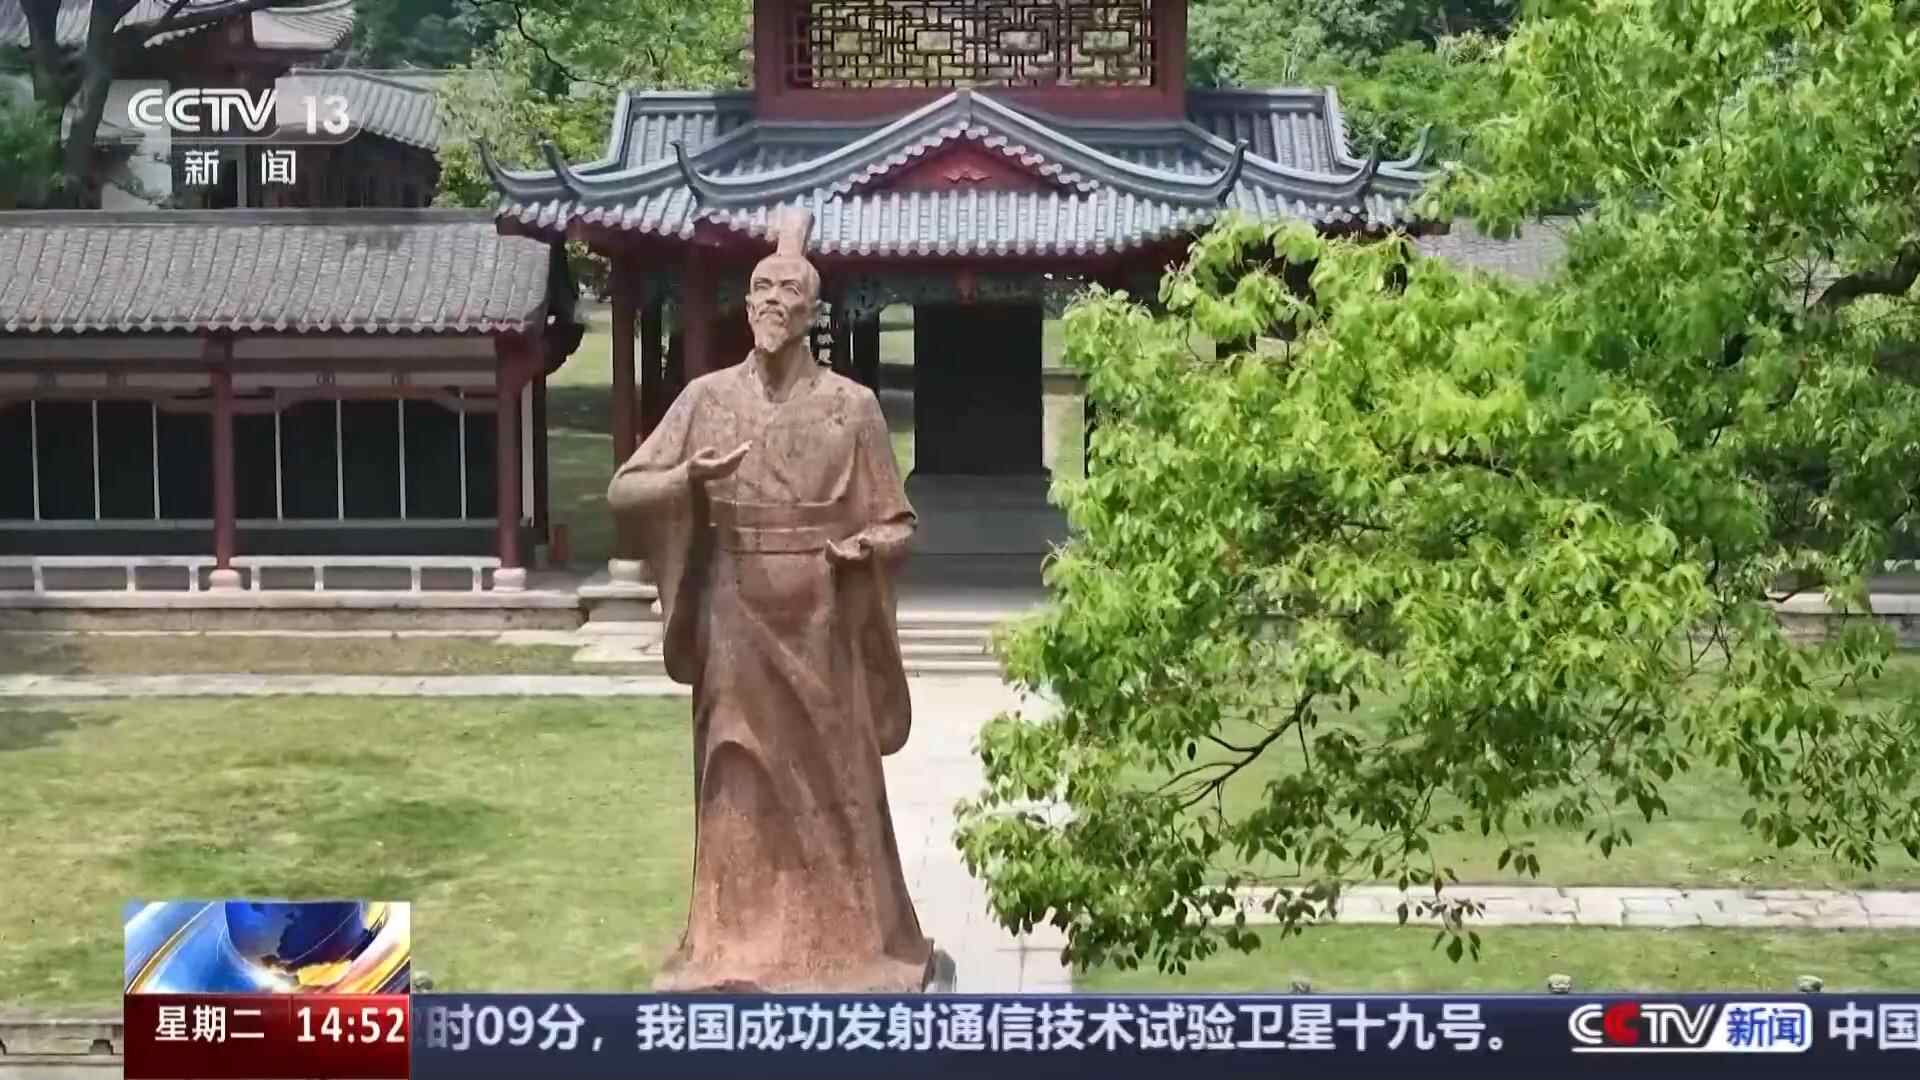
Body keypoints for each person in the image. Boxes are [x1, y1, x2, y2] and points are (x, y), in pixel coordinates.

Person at [608, 208, 933, 992]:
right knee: (734, 772)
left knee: (838, 777)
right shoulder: (706, 398)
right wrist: (688, 478)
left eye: (787, 291)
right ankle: (733, 944)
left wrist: (863, 549)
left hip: (822, 616)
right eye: (760, 289)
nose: (770, 303)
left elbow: (898, 523)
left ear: (813, 312)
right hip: (734, 614)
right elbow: (625, 490)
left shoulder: (852, 406)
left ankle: (849, 942)